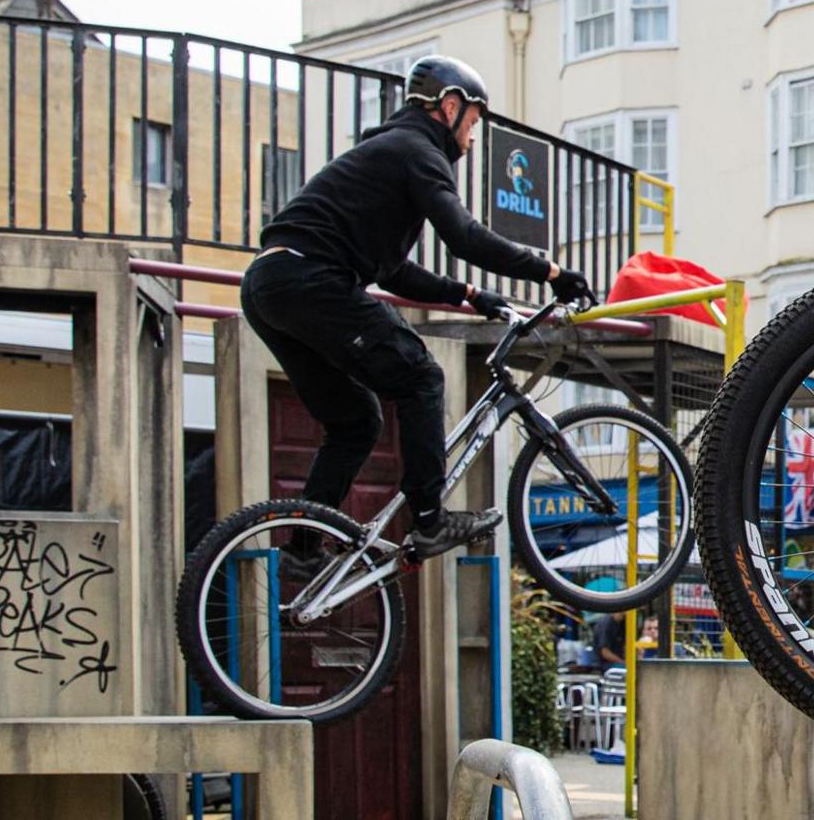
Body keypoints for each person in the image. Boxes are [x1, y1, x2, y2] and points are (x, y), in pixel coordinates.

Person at [246, 55, 596, 560]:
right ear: (449, 107)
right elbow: (465, 237)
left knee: (355, 422)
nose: (472, 142)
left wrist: (471, 296)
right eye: (472, 124)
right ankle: (430, 519)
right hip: (310, 279)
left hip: (270, 284)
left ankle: (302, 545)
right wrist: (551, 273)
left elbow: (391, 271)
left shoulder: (384, 155)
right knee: (421, 377)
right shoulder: (417, 150)